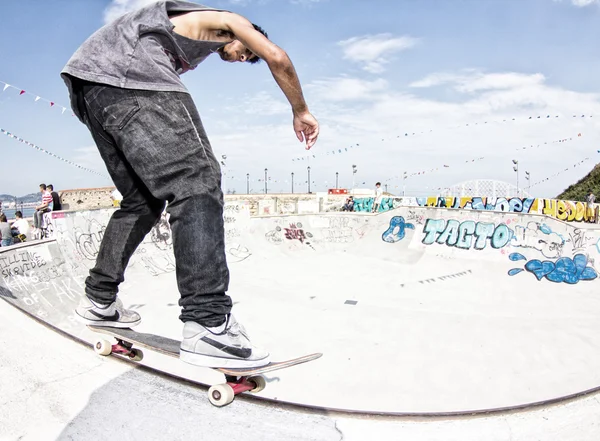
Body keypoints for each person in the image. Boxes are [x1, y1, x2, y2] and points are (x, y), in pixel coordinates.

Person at [61, 1, 319, 369]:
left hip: (91, 91)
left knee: (142, 201)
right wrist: (300, 110)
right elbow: (278, 58)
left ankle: (99, 300)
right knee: (196, 182)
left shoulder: (180, 31)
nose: (241, 59)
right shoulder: (231, 22)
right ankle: (207, 324)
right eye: (246, 54)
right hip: (129, 78)